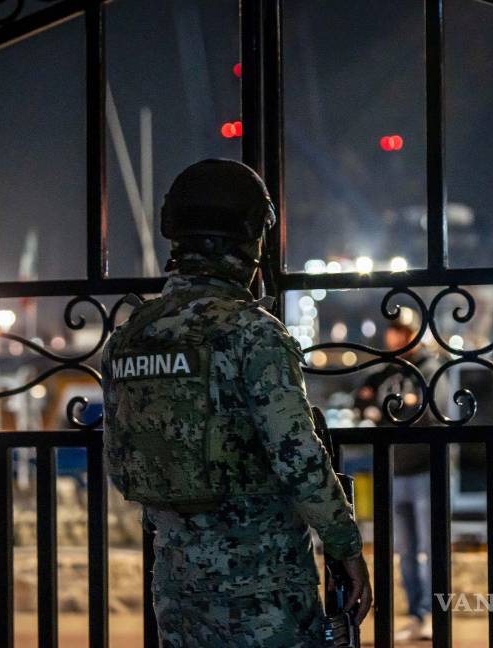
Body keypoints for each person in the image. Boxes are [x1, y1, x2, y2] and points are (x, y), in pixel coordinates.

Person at [102, 159, 371, 647]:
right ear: (251, 238)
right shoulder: (250, 332)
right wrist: (345, 546)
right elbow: (298, 458)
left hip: (178, 591)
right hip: (263, 592)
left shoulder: (130, 337)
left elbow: (123, 458)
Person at [353, 321, 435, 642]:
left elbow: (429, 412)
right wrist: (400, 408)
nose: (393, 340)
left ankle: (431, 614)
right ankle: (416, 615)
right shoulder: (384, 372)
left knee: (428, 549)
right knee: (405, 551)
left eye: (399, 334)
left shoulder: (428, 369)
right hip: (394, 468)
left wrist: (382, 411)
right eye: (391, 334)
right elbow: (360, 402)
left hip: (426, 468)